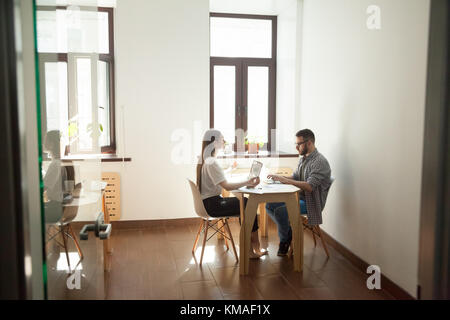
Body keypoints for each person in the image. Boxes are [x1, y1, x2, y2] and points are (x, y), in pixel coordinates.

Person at [197, 129, 267, 258]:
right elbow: (227, 187)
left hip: (208, 203)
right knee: (247, 204)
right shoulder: (211, 162)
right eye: (222, 139)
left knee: (245, 203)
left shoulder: (206, 159)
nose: (224, 141)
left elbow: (219, 180)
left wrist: (230, 170)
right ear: (215, 142)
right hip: (213, 206)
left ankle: (253, 246)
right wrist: (248, 182)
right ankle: (252, 248)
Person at [265, 129, 332, 256]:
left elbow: (309, 186)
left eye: (299, 144)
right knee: (269, 205)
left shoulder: (319, 162)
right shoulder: (304, 158)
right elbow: (295, 177)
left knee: (280, 211)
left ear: (310, 143)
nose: (296, 147)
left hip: (311, 203)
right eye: (296, 144)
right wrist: (278, 177)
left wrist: (285, 180)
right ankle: (289, 232)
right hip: (299, 197)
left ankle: (284, 240)